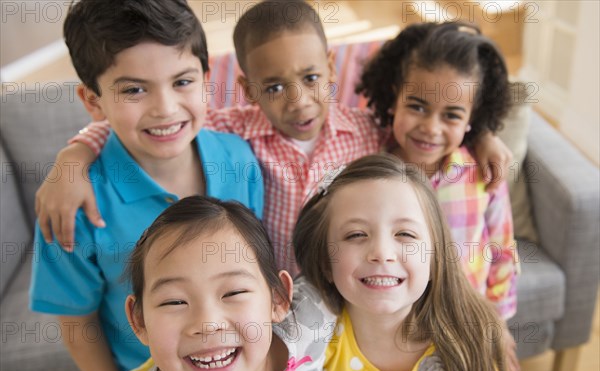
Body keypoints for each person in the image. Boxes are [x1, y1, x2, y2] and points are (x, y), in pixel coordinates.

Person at [33, 1, 512, 276]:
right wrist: (74, 156)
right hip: (279, 296)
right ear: (248, 90)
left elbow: (428, 126)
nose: (299, 101)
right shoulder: (235, 128)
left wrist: (484, 134)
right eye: (275, 87)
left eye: (310, 78)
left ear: (330, 68)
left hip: (352, 286)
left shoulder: (368, 129)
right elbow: (168, 121)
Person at [29, 0, 263, 371]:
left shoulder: (239, 158)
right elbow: (76, 322)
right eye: (134, 90)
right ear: (93, 101)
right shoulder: (72, 206)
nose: (166, 108)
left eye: (182, 82)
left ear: (207, 79)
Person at [293, 154, 520, 371]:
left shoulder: (471, 337)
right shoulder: (316, 343)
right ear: (325, 263)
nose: (381, 252)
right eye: (355, 235)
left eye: (405, 234)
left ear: (435, 259)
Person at [356, 22, 521, 371]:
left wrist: (499, 322)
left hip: (464, 327)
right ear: (393, 94)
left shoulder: (482, 173)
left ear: (471, 120)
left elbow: (503, 249)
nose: (431, 127)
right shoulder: (368, 164)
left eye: (451, 115)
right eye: (417, 106)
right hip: (387, 333)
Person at [119, 196, 335, 371]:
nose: (208, 324)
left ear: (278, 299)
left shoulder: (311, 317)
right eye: (174, 301)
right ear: (139, 321)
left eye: (234, 293)